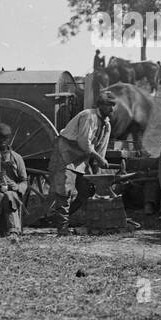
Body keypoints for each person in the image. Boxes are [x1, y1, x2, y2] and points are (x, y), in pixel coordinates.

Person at [48, 91, 116, 235]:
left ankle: (57, 218)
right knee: (64, 191)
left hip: (81, 158)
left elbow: (101, 149)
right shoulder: (88, 116)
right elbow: (84, 142)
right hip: (65, 152)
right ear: (100, 105)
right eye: (109, 105)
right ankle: (62, 228)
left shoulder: (107, 125)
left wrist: (98, 174)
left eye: (113, 106)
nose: (112, 109)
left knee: (86, 191)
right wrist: (99, 159)